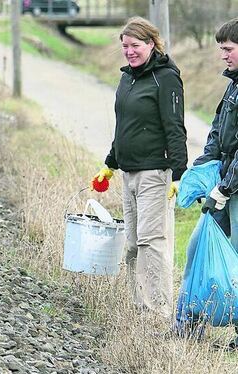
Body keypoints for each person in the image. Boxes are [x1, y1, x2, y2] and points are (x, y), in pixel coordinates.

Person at [91, 17, 187, 317]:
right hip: (128, 172)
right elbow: (124, 127)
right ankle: (139, 309)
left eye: (135, 45)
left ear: (151, 44)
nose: (129, 51)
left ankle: (158, 312)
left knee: (151, 242)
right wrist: (110, 163)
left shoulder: (166, 78)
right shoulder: (127, 78)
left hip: (155, 174)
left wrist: (179, 174)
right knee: (132, 244)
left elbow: (175, 128)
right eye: (125, 46)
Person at [179, 17, 238, 346]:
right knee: (196, 249)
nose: (222, 55)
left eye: (228, 49)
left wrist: (226, 187)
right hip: (224, 184)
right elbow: (217, 132)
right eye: (221, 49)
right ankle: (187, 325)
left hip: (233, 189)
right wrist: (199, 171)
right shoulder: (233, 86)